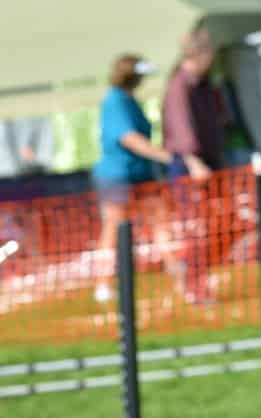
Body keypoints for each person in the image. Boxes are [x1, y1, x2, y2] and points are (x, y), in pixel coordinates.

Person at [90, 54, 174, 303]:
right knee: (113, 229)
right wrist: (163, 155)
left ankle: (177, 270)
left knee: (160, 222)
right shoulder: (115, 101)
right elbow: (128, 138)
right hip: (117, 176)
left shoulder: (128, 100)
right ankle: (103, 284)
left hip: (141, 175)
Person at [161, 28, 227, 304]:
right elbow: (180, 128)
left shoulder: (204, 85)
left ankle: (196, 280)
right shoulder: (180, 86)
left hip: (209, 163)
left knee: (212, 227)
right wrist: (193, 161)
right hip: (191, 167)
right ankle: (191, 283)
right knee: (195, 229)